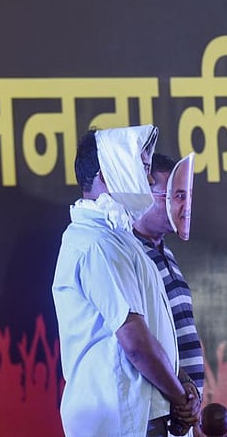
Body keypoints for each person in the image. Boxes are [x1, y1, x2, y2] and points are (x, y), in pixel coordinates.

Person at [52, 126, 199, 437]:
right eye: (142, 168)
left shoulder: (118, 239)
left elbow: (151, 335)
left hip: (139, 417)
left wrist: (182, 381)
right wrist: (179, 398)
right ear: (106, 174)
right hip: (123, 422)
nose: (148, 180)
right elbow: (135, 343)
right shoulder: (98, 243)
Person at [132, 153, 205, 409]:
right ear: (143, 196)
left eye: (186, 196)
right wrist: (178, 394)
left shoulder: (166, 252)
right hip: (161, 405)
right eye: (176, 196)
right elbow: (140, 342)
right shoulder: (132, 254)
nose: (184, 206)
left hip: (185, 405)